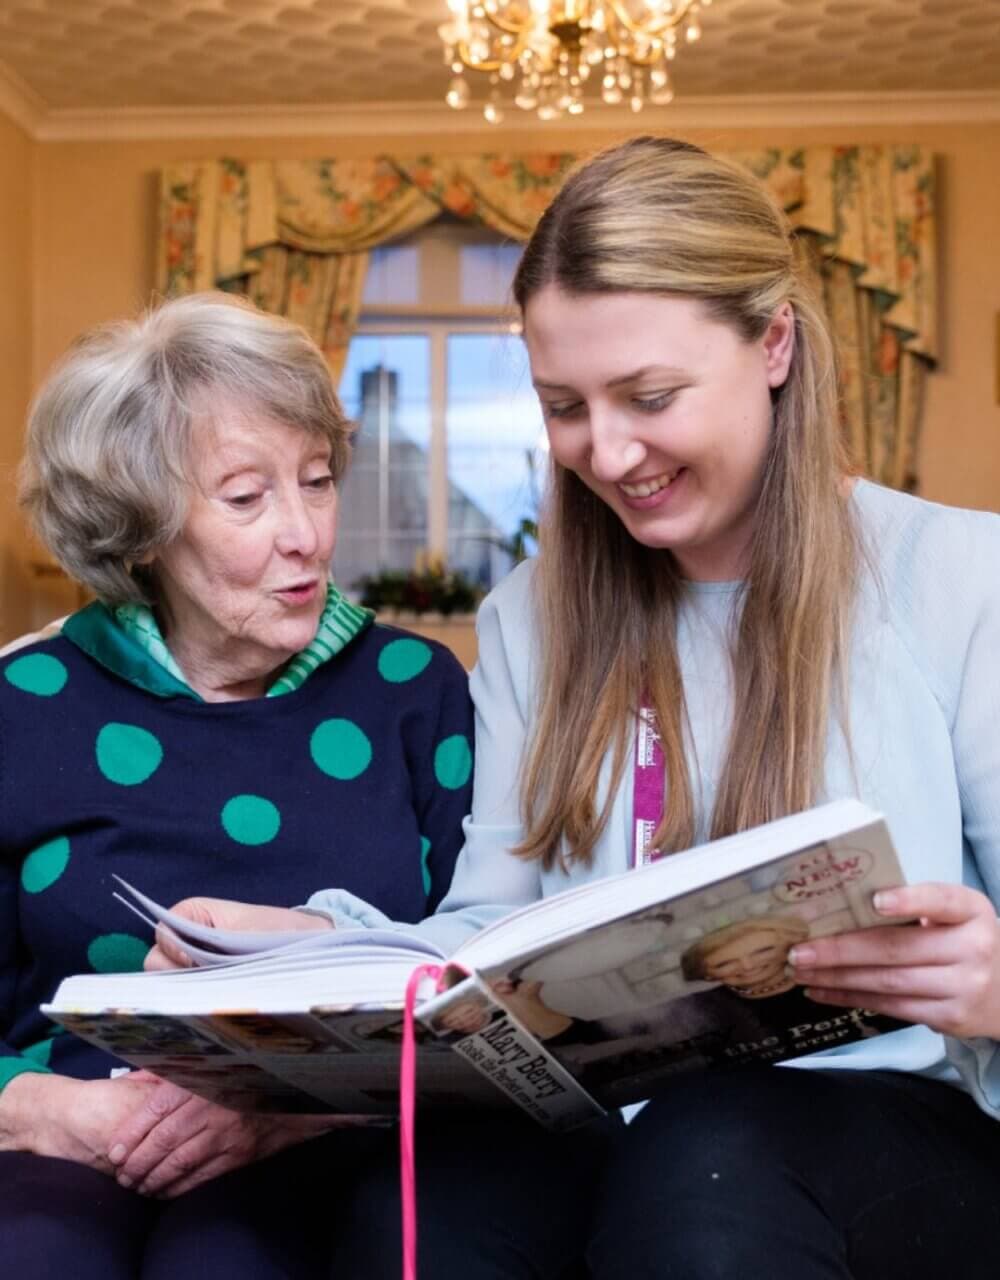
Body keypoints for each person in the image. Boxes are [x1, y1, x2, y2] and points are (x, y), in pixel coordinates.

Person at [147, 137, 1000, 1279]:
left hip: (903, 1126)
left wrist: (988, 980)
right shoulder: (530, 617)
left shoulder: (962, 580)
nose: (607, 451)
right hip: (620, 1119)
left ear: (775, 343)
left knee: (712, 1153)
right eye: (562, 406)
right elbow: (487, 936)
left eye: (649, 396)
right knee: (420, 1199)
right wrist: (314, 949)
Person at [0, 292, 475, 1279]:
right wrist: (44, 1107)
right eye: (247, 497)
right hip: (65, 1126)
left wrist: (290, 1110)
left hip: (336, 1138)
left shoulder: (414, 691)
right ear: (140, 529)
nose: (305, 533)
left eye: (316, 480)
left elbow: (478, 984)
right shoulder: (25, 702)